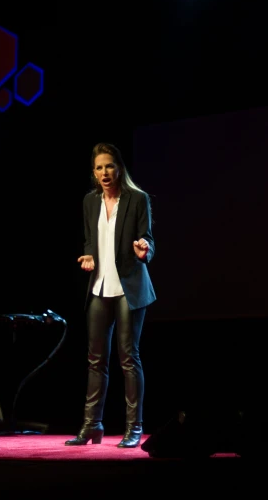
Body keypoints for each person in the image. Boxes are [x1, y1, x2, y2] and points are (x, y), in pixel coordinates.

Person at [65, 142, 156, 448]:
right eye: (99, 167)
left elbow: (148, 240)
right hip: (99, 286)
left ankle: (134, 428)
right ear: (94, 172)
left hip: (128, 287)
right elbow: (91, 238)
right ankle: (92, 426)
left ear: (119, 168)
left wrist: (144, 249)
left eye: (109, 166)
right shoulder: (90, 201)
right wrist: (89, 255)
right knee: (95, 360)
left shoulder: (137, 199)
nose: (105, 172)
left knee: (128, 358)